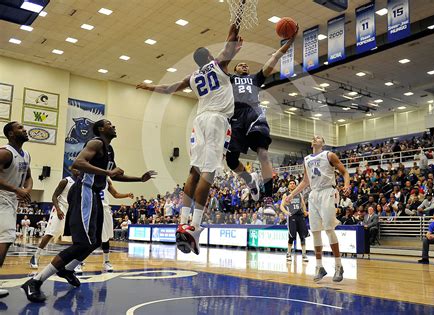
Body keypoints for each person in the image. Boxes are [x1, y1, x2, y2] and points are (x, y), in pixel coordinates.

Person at [136, 7, 244, 255]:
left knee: (194, 171)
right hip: (217, 120)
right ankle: (194, 225)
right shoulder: (218, 65)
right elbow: (231, 36)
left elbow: (167, 88)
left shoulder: (193, 77)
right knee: (209, 172)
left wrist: (147, 86)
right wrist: (237, 16)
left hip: (200, 121)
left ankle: (182, 220)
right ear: (209, 55)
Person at [22, 119, 156, 302]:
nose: (114, 126)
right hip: (84, 192)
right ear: (101, 129)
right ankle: (35, 281)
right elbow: (78, 163)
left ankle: (68, 269)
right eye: (110, 124)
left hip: (95, 196)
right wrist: (107, 173)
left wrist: (139, 179)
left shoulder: (109, 150)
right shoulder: (96, 142)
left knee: (95, 241)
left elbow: (115, 174)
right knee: (82, 243)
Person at [226, 28, 298, 210]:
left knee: (263, 154)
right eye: (240, 64)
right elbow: (219, 64)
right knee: (231, 161)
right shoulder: (230, 79)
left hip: (254, 112)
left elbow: (273, 59)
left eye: (246, 65)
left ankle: (267, 201)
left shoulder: (255, 78)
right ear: (235, 69)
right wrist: (232, 48)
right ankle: (250, 181)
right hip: (235, 116)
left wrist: (289, 43)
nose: (244, 66)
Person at [285, 135, 351, 283]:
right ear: (311, 143)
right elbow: (305, 181)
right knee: (315, 231)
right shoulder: (307, 159)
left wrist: (346, 185)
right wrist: (291, 194)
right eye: (313, 137)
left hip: (328, 191)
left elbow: (345, 172)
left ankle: (338, 266)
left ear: (323, 143)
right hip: (314, 194)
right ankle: (319, 267)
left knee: (328, 229)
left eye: (318, 137)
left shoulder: (329, 155)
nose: (315, 138)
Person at [0, 121, 32, 298]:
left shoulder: (26, 154)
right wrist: (15, 189)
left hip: (11, 201)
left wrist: (26, 190)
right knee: (5, 239)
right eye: (20, 128)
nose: (24, 129)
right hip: (1, 198)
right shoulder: (5, 153)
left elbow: (28, 177)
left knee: (5, 240)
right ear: (11, 134)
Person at [30, 169, 80, 269]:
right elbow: (54, 197)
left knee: (76, 236)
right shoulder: (65, 181)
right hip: (60, 208)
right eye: (76, 168)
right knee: (50, 233)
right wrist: (58, 210)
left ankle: (76, 260)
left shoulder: (81, 182)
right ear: (72, 169)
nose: (78, 170)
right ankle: (35, 256)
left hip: (72, 210)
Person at [100, 178, 134, 272]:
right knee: (86, 237)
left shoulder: (106, 179)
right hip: (91, 208)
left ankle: (106, 261)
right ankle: (79, 261)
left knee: (106, 237)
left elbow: (115, 194)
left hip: (105, 209)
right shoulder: (88, 176)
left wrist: (126, 195)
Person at [281, 179, 309, 262]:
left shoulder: (299, 194)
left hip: (300, 216)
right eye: (291, 183)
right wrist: (286, 212)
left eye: (293, 183)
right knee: (291, 236)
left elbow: (303, 204)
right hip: (292, 216)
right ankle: (289, 253)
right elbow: (281, 206)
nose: (292, 185)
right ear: (288, 186)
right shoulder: (286, 195)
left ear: (296, 185)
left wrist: (305, 211)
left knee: (303, 236)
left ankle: (304, 254)